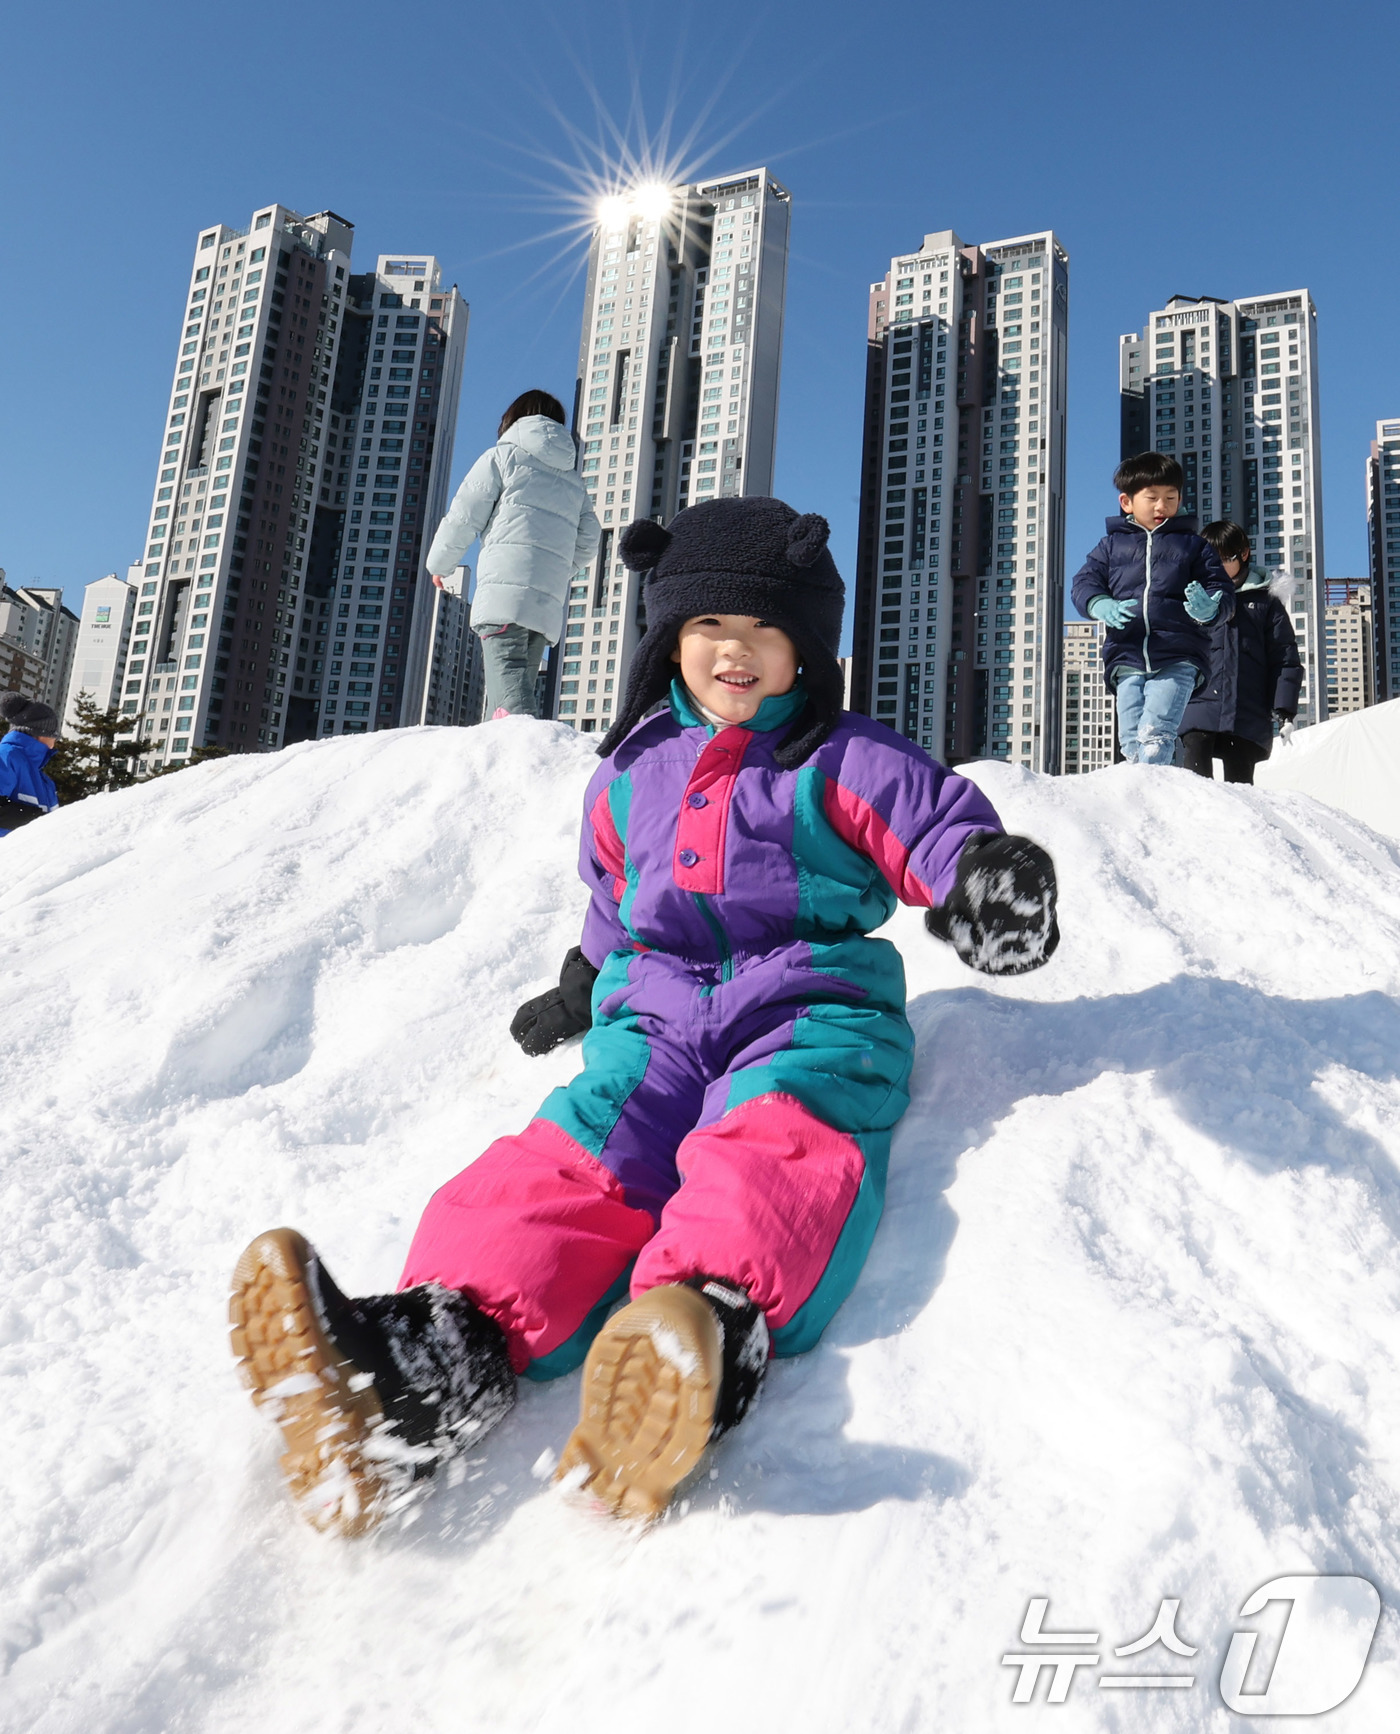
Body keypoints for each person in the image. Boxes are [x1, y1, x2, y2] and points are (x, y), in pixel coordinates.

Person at [229, 497, 1061, 1537]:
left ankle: (699, 1336)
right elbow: (611, 899)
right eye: (711, 628)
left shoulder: (841, 756)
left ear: (805, 649)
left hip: (807, 1006)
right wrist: (580, 983)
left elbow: (931, 826)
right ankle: (428, 1362)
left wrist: (983, 878)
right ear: (670, 635)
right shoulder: (629, 771)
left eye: (767, 631)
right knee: (569, 1154)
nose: (736, 653)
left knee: (771, 1141)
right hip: (653, 1012)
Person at [425, 389, 600, 719]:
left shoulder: (501, 458)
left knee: (512, 703)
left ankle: (540, 762)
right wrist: (559, 568)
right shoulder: (573, 482)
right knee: (508, 697)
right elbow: (590, 538)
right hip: (545, 604)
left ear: (513, 420)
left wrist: (440, 564)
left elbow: (465, 515)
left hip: (504, 597)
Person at [1071, 453, 1234, 765]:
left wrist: (1211, 608)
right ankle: (1144, 802)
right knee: (1131, 742)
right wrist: (1098, 602)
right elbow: (1084, 582)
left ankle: (1151, 793)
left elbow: (1220, 588)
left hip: (1178, 655)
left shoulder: (1194, 546)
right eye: (1153, 498)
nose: (1162, 506)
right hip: (1126, 655)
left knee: (1156, 732)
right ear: (1127, 502)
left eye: (1170, 497)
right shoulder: (1110, 547)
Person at [1178, 521, 1302, 785]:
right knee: (1195, 773)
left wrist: (1284, 710)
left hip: (1247, 709)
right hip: (1199, 702)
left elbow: (1284, 659)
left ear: (1243, 555)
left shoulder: (1266, 603)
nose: (1216, 567)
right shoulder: (1193, 598)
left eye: (1224, 559)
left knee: (1241, 785)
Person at [0, 693, 59, 836]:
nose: (54, 744)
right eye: (54, 736)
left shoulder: (43, 779)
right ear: (41, 734)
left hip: (34, 855)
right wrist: (39, 821)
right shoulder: (7, 755)